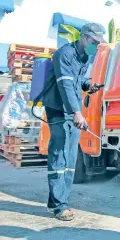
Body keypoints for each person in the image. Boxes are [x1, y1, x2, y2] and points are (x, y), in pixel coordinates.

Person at [41, 23, 105, 221]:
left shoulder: (84, 56)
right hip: (58, 109)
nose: (96, 47)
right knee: (59, 154)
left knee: (70, 157)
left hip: (72, 109)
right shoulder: (64, 54)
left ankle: (57, 201)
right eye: (94, 42)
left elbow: (77, 82)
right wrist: (77, 112)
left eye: (98, 43)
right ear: (84, 37)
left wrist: (88, 85)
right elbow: (66, 85)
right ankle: (60, 206)